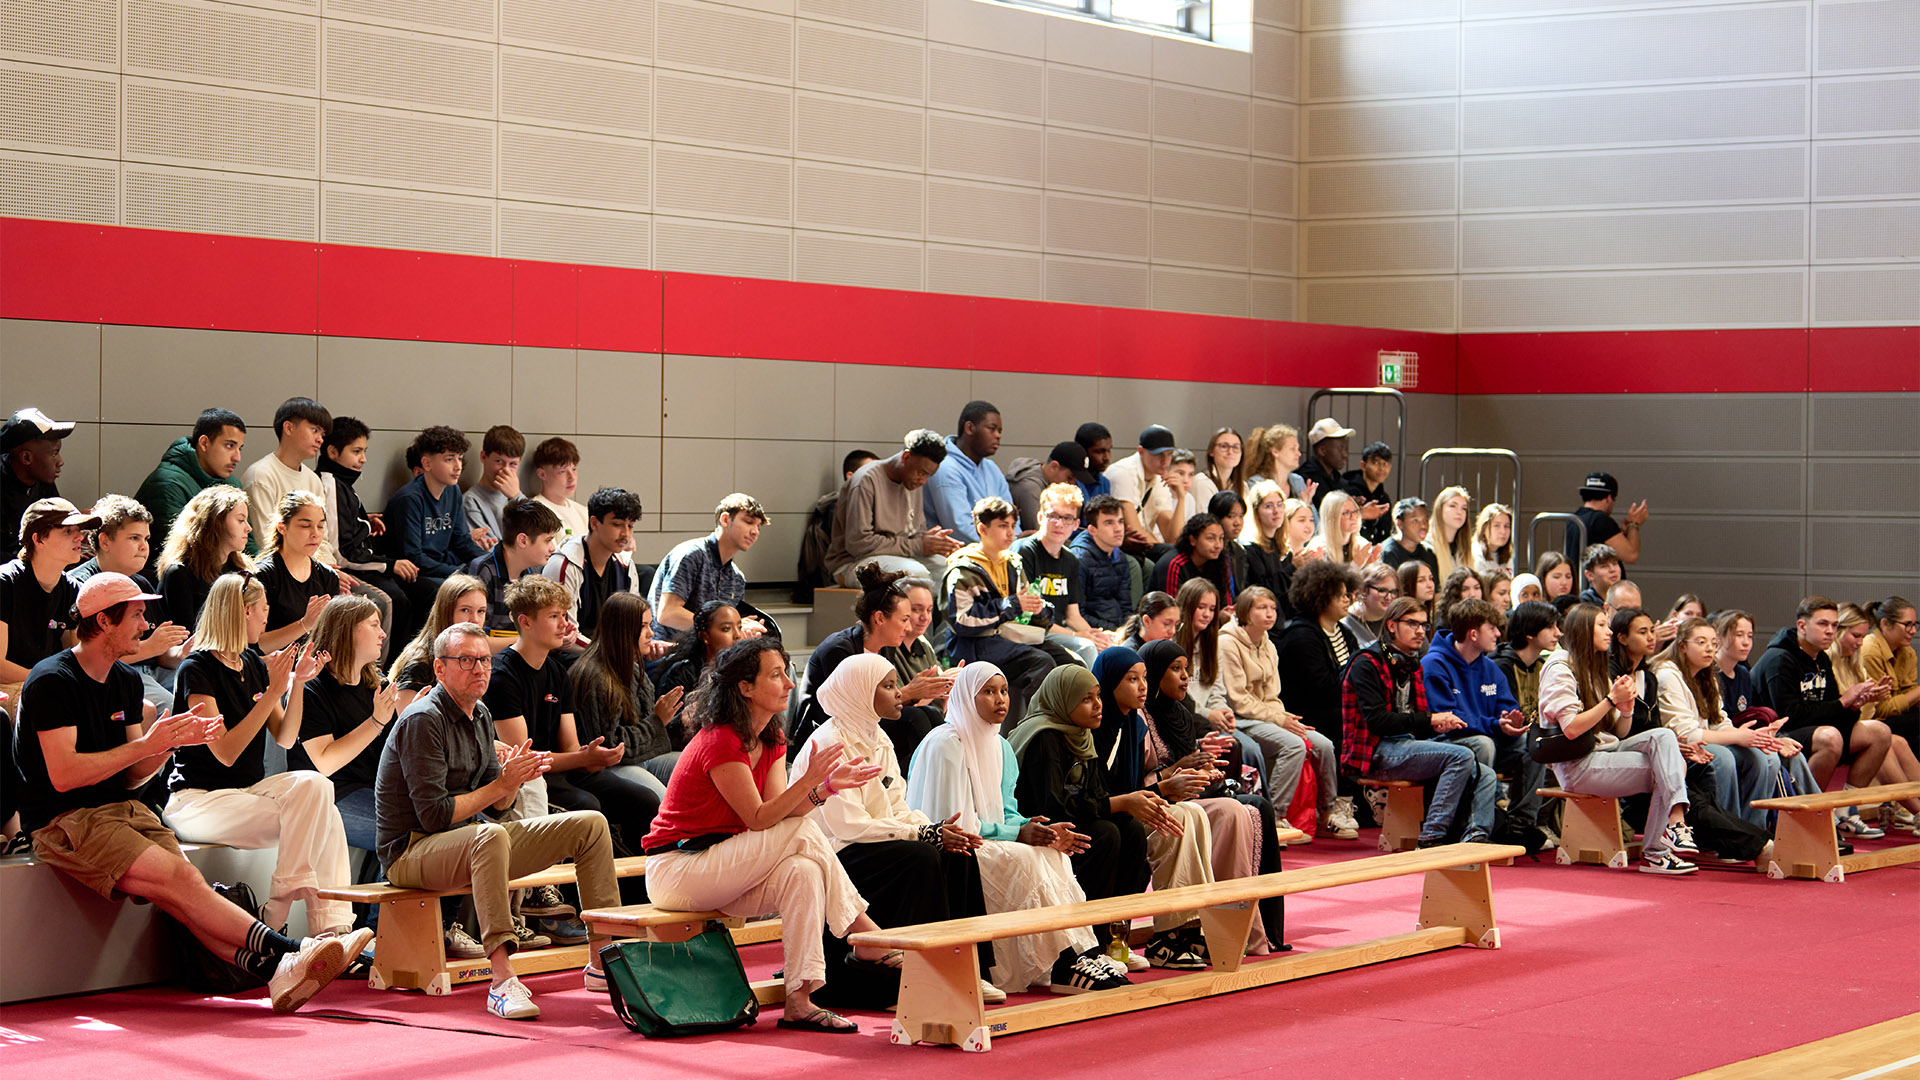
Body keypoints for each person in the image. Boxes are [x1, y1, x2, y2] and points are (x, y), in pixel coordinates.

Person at [12, 571, 368, 1011]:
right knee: (181, 880)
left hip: (125, 808)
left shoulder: (124, 680)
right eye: (137, 615)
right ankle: (288, 950)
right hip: (67, 820)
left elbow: (130, 776)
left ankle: (283, 966)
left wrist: (164, 747)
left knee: (188, 890)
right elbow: (64, 776)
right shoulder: (52, 679)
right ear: (103, 622)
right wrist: (150, 744)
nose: (147, 625)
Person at [640, 637, 891, 1032]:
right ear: (745, 687)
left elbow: (781, 812)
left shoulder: (771, 736)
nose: (789, 684)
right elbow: (759, 818)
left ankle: (800, 1000)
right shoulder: (721, 738)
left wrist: (825, 788)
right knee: (802, 833)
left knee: (803, 871)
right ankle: (864, 932)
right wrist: (811, 780)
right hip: (678, 869)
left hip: (726, 864)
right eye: (776, 675)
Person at [375, 620, 619, 1020]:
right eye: (466, 661)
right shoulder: (423, 719)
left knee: (589, 823)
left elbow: (500, 807)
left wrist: (515, 780)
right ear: (440, 669)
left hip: (468, 841)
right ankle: (502, 981)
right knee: (489, 837)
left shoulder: (481, 713)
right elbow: (435, 816)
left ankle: (600, 961)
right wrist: (501, 784)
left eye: (485, 661)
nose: (480, 670)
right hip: (411, 851)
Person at [906, 663, 1129, 994]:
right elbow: (957, 824)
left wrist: (1037, 829)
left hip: (989, 839)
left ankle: (1080, 954)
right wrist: (1018, 834)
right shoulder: (947, 744)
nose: (1001, 700)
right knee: (1027, 860)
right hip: (957, 849)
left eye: (1005, 691)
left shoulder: (1001, 746)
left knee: (1053, 855)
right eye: (989, 692)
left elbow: (1007, 811)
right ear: (968, 696)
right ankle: (1067, 962)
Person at [792, 653, 1000, 1007]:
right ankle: (932, 969)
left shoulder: (877, 738)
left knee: (958, 852)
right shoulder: (829, 743)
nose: (898, 694)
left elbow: (897, 807)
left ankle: (968, 966)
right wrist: (920, 836)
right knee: (918, 854)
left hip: (871, 844)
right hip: (835, 854)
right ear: (860, 693)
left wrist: (931, 829)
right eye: (888, 687)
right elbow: (849, 826)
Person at [163, 572, 352, 935]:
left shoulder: (250, 663)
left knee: (318, 789)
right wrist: (271, 692)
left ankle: (330, 930)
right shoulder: (197, 668)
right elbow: (226, 753)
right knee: (324, 813)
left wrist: (295, 685)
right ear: (241, 611)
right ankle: (297, 917)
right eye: (262, 608)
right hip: (198, 802)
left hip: (243, 795)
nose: (266, 616)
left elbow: (284, 737)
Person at [487, 577, 653, 877]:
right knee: (587, 806)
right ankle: (580, 901)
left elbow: (571, 747)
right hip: (531, 781)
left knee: (643, 800)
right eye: (554, 616)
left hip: (564, 772)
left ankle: (643, 891)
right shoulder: (502, 676)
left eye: (565, 614)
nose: (565, 624)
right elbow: (524, 760)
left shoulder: (555, 669)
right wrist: (583, 759)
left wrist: (592, 757)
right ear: (525, 621)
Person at [1140, 640, 1286, 951]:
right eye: (1175, 669)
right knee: (1237, 810)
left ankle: (1256, 931)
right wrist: (1178, 772)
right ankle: (1210, 927)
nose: (1184, 677)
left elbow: (1186, 764)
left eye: (1186, 670)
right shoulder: (1139, 718)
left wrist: (1204, 768)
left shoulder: (1179, 712)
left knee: (1256, 807)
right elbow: (1138, 781)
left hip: (1186, 798)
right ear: (1154, 674)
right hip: (1157, 801)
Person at [1009, 665, 1158, 970]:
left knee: (1131, 831)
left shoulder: (1081, 735)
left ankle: (1115, 939)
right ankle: (1089, 943)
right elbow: (1052, 806)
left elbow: (1095, 792)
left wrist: (1122, 805)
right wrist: (1117, 804)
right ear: (1064, 701)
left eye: (1098, 696)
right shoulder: (1044, 736)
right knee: (1105, 834)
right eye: (1086, 699)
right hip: (1038, 826)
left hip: (1073, 817)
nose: (1098, 705)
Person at [1533, 603, 1698, 875]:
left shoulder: (1594, 666)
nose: (1608, 631)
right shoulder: (1560, 667)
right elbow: (1572, 729)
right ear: (1583, 630)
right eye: (1601, 625)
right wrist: (1611, 700)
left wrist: (1626, 709)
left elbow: (1618, 733)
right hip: (1578, 764)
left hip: (1605, 750)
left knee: (1664, 737)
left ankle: (1675, 825)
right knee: (1672, 768)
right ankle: (1659, 851)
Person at [1086, 647, 1222, 969]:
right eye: (1132, 679)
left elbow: (1134, 787)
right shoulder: (1098, 726)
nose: (1143, 686)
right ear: (1109, 683)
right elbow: (1106, 792)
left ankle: (1190, 927)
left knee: (1194, 813)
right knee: (1174, 822)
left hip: (1129, 807)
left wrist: (1170, 785)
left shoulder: (1134, 724)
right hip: (1110, 813)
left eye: (1145, 678)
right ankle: (1167, 935)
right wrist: (1163, 787)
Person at [1341, 597, 1496, 847]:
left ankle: (1475, 837)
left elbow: (1414, 723)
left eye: (1423, 625)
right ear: (1391, 626)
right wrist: (1429, 719)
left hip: (1405, 745)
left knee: (1485, 772)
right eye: (1412, 623)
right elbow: (1378, 722)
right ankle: (1432, 837)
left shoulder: (1412, 665)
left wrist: (1436, 725)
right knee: (1461, 756)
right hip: (1374, 752)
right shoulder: (1366, 663)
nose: (1420, 631)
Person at [291, 596, 403, 905]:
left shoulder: (376, 686)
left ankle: (441, 925)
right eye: (373, 625)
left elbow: (392, 756)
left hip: (372, 791)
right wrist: (376, 721)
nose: (382, 634)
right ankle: (380, 936)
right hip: (329, 796)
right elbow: (325, 762)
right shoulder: (312, 687)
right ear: (347, 631)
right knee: (403, 836)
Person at [1751, 595, 1894, 831]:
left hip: (1812, 728)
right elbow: (1790, 715)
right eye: (1823, 624)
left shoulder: (1821, 659)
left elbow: (1832, 710)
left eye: (1834, 625)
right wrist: (1842, 702)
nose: (1830, 631)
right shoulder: (1779, 659)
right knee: (1830, 738)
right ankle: (1805, 812)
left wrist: (1853, 707)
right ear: (1802, 626)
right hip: (1778, 734)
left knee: (1879, 732)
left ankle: (1847, 809)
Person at [792, 566, 954, 767]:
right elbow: (854, 708)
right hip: (828, 729)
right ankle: (928, 779)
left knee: (931, 713)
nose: (909, 627)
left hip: (865, 724)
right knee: (915, 718)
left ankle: (943, 774)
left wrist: (925, 691)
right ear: (879, 618)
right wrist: (909, 692)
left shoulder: (887, 648)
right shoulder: (838, 649)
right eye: (904, 619)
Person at [1420, 598, 1546, 841]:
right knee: (1482, 744)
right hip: (1446, 743)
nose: (1499, 633)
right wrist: (1493, 724)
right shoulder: (1434, 664)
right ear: (1473, 633)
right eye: (1493, 628)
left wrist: (1510, 721)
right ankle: (1474, 826)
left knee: (1535, 745)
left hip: (1490, 737)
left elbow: (1506, 707)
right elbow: (1449, 718)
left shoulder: (1489, 667)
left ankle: (1519, 823)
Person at [1219, 585, 1337, 838]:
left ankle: (1328, 813)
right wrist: (1279, 719)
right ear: (1245, 612)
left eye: (1272, 607)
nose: (1270, 613)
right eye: (1262, 608)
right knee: (1293, 745)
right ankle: (1276, 817)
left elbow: (1273, 696)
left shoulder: (1269, 643)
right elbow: (1238, 701)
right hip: (1240, 720)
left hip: (1269, 716)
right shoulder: (1227, 643)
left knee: (1323, 745)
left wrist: (1284, 719)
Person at [1651, 617, 1787, 830]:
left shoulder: (1707, 676)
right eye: (1701, 642)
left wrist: (1752, 736)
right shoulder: (1667, 675)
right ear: (1683, 646)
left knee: (1764, 756)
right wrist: (1737, 736)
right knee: (1723, 757)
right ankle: (1725, 834)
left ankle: (1753, 830)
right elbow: (1687, 734)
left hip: (1702, 742)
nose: (1709, 649)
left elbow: (1718, 720)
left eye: (1713, 643)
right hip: (1680, 749)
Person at [943, 496, 1065, 720]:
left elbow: (1027, 605)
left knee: (1069, 663)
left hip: (1010, 639)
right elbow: (962, 620)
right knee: (1042, 663)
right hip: (976, 644)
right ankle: (1034, 731)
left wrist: (1040, 610)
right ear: (982, 528)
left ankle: (1066, 729)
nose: (1010, 532)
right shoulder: (963, 568)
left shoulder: (1012, 563)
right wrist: (1014, 605)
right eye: (1002, 526)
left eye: (1012, 526)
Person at [70, 496, 191, 710]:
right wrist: (150, 647)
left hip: (152, 672)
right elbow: (87, 661)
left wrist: (181, 652)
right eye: (134, 538)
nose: (144, 547)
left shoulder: (141, 583)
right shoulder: (81, 585)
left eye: (146, 538)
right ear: (105, 541)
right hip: (113, 675)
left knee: (206, 692)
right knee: (170, 707)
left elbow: (162, 656)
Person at [1276, 560, 1364, 839]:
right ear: (1320, 596)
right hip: (1307, 711)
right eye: (1340, 595)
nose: (1346, 600)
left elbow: (1354, 677)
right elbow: (1322, 687)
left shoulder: (1344, 632)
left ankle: (1351, 802)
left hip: (1337, 706)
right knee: (1348, 725)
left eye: (1347, 594)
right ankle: (1334, 807)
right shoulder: (1301, 635)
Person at [567, 592, 684, 801]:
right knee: (661, 803)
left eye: (650, 625)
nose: (651, 633)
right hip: (607, 767)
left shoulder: (633, 667)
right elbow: (609, 745)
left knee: (701, 766)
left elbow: (648, 724)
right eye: (643, 627)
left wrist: (679, 719)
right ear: (622, 630)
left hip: (641, 757)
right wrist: (658, 721)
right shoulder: (595, 676)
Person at [315, 417, 408, 649]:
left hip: (361, 563)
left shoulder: (342, 483)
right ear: (333, 452)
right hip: (347, 569)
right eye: (356, 451)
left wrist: (365, 522)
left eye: (364, 451)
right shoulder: (329, 484)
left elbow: (345, 524)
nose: (363, 459)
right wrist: (389, 564)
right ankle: (381, 671)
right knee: (395, 600)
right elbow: (341, 552)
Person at [825, 429, 959, 586]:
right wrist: (919, 545)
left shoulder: (913, 482)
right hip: (853, 563)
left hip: (902, 558)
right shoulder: (865, 481)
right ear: (906, 457)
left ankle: (942, 611)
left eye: (928, 476)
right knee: (915, 575)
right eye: (921, 473)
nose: (923, 481)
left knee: (955, 570)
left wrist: (935, 543)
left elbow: (915, 536)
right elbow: (859, 544)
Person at [1828, 603, 1920, 829]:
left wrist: (1866, 700)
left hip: (1858, 725)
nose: (1861, 642)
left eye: (1914, 625)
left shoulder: (1856, 657)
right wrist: (1865, 700)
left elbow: (1866, 710)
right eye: (1856, 636)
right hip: (1837, 729)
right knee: (1884, 738)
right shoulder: (1841, 657)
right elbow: (1879, 710)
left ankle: (1913, 809)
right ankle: (1916, 810)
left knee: (1892, 739)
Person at [135, 407, 253, 574]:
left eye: (239, 448)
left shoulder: (232, 484)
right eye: (229, 446)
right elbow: (179, 552)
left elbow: (248, 546)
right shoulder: (168, 483)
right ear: (204, 443)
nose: (237, 457)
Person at [1, 498, 96, 704]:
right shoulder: (5, 583)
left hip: (48, 684)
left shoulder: (74, 589)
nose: (80, 537)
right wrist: (54, 680)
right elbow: (0, 667)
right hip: (9, 687)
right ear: (39, 539)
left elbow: (78, 653)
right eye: (68, 531)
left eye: (79, 530)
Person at [650, 493, 772, 643]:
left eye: (758, 526)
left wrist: (741, 630)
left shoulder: (737, 577)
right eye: (748, 522)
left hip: (708, 657)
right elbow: (667, 614)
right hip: (669, 653)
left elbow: (725, 634)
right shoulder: (692, 554)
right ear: (725, 519)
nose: (755, 532)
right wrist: (728, 627)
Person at [1013, 483, 1112, 666]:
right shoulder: (1024, 552)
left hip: (1058, 631)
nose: (1059, 524)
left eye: (1067, 518)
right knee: (1086, 647)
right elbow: (1028, 618)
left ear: (1076, 524)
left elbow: (1072, 616)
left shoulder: (1070, 559)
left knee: (1109, 646)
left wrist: (1095, 635)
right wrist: (1079, 636)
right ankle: (1089, 695)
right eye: (1053, 516)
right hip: (1031, 631)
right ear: (1041, 517)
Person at [383, 426, 487, 595]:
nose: (458, 467)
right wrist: (454, 572)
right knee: (459, 591)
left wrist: (488, 561)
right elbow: (413, 556)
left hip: (440, 566)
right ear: (427, 463)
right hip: (412, 574)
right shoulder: (409, 499)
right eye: (449, 459)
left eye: (460, 459)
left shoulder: (453, 491)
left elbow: (460, 541)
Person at [545, 486, 643, 645]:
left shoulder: (625, 565)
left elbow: (632, 623)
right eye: (617, 524)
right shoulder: (565, 564)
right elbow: (564, 635)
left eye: (630, 526)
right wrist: (608, 656)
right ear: (595, 523)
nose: (626, 534)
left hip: (611, 654)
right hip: (573, 657)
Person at [242, 397, 335, 566]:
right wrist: (322, 571)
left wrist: (331, 570)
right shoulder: (260, 476)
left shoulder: (313, 479)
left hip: (319, 568)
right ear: (289, 428)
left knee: (370, 593)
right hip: (283, 573)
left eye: (322, 434)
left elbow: (323, 539)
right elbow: (266, 542)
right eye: (314, 430)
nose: (320, 439)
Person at [251, 491, 343, 653]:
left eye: (320, 526)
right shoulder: (262, 576)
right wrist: (304, 624)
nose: (315, 533)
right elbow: (256, 644)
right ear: (282, 527)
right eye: (305, 526)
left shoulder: (327, 577)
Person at [155, 486, 253, 632]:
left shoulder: (242, 570)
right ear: (215, 522)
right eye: (240, 520)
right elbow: (187, 638)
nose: (249, 528)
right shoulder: (179, 573)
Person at [465, 497, 562, 637]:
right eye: (548, 540)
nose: (553, 548)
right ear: (522, 540)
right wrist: (529, 642)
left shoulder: (534, 572)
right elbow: (475, 638)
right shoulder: (483, 572)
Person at [389, 574, 488, 710]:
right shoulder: (418, 667)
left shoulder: (478, 660)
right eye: (465, 610)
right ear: (446, 612)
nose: (475, 620)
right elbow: (406, 727)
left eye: (481, 611)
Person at [924, 402, 1013, 544]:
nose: (998, 436)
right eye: (992, 429)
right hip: (953, 553)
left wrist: (1017, 544)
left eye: (1000, 431)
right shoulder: (945, 467)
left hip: (995, 549)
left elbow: (1011, 517)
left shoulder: (992, 468)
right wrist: (1007, 546)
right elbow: (959, 529)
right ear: (970, 428)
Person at [0, 408, 73, 565]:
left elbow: (58, 522)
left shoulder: (42, 481)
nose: (61, 461)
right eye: (54, 453)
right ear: (26, 457)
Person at [1068, 494, 1141, 633]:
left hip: (1117, 629)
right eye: (1109, 523)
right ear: (1092, 530)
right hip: (1094, 632)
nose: (1118, 528)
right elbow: (1078, 614)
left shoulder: (1119, 556)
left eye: (1120, 521)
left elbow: (1125, 606)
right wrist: (1115, 631)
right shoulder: (1079, 559)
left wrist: (1126, 630)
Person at [1103, 425, 1176, 555]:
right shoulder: (1122, 473)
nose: (1165, 461)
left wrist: (1181, 498)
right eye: (1159, 454)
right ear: (1141, 451)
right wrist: (1168, 553)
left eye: (1169, 454)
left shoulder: (1160, 478)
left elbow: (1171, 538)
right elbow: (1134, 530)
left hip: (1143, 547)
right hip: (1119, 547)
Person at [655, 600, 745, 705]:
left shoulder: (743, 669)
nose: (738, 635)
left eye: (739, 627)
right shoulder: (682, 673)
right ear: (705, 636)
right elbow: (669, 718)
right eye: (726, 629)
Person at [1862, 596, 1919, 746]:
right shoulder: (1870, 650)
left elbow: (1909, 691)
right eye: (1907, 625)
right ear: (1886, 624)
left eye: (1915, 625)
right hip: (1873, 723)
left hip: (1896, 717)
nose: (1913, 631)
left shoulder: (1907, 652)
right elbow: (1881, 710)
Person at [1493, 601, 1560, 724]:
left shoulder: (1541, 665)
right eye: (1550, 627)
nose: (1558, 633)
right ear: (1529, 632)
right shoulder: (1502, 666)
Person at [463, 425, 524, 550]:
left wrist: (517, 497)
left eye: (512, 464)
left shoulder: (517, 498)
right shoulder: (471, 501)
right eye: (499, 461)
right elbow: (493, 552)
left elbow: (539, 537)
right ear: (483, 457)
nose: (505, 470)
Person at [1150, 511, 1233, 602]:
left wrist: (1224, 613)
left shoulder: (1218, 560)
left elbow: (1226, 600)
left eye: (1221, 538)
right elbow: (1172, 609)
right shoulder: (1174, 564)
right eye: (1211, 538)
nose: (1218, 545)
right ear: (1192, 540)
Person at [1568, 471, 1648, 564]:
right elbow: (1630, 555)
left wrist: (1624, 534)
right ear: (1609, 498)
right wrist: (1634, 525)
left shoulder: (1574, 519)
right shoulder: (1600, 520)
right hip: (1596, 578)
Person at [527, 437, 589, 543]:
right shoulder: (535, 512)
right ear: (542, 474)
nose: (572, 477)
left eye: (574, 469)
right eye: (563, 471)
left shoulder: (583, 512)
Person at [1305, 490, 1379, 566]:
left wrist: (1368, 566)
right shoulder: (1318, 549)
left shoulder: (1362, 544)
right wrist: (1356, 565)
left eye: (1355, 511)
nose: (1353, 517)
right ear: (1332, 518)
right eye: (1346, 513)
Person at [1142, 449, 1200, 547]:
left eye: (1191, 474)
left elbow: (1184, 536)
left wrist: (1181, 497)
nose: (1186, 480)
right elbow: (1163, 538)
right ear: (1166, 472)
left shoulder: (1189, 499)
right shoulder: (1156, 494)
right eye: (1180, 473)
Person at [1341, 441, 1394, 545]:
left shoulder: (1383, 497)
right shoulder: (1348, 491)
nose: (1381, 468)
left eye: (1386, 464)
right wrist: (1360, 514)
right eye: (1376, 463)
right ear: (1363, 465)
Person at [1295, 419, 1350, 511]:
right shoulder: (1306, 479)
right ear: (1322, 450)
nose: (1345, 454)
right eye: (1340, 448)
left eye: (1346, 448)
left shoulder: (1339, 480)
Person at [1342, 563, 1399, 647]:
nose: (1389, 597)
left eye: (1393, 591)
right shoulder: (1345, 623)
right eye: (1382, 590)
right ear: (1364, 589)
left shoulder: (1398, 620)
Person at [1425, 486, 1472, 585]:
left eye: (1464, 508)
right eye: (1453, 506)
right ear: (1439, 509)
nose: (1459, 512)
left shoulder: (1465, 547)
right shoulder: (1428, 546)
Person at [1190, 427, 1246, 507]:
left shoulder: (1242, 486)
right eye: (1224, 446)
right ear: (1211, 451)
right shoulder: (1202, 483)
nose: (1230, 452)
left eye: (1235, 447)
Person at [1380, 497, 1436, 575]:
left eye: (1425, 520)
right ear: (1399, 523)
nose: (1423, 526)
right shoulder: (1388, 553)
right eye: (1415, 521)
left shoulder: (1428, 553)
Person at [1072, 422, 1114, 501]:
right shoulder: (1069, 481)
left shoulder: (1105, 483)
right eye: (1099, 452)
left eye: (1109, 450)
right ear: (1082, 451)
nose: (1107, 457)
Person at [1470, 503, 1514, 575]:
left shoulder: (1507, 555)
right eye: (1496, 526)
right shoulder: (1475, 554)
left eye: (1506, 526)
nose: (1503, 531)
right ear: (1484, 528)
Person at [1397, 559, 1437, 624]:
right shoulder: (1404, 619)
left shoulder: (1428, 613)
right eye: (1421, 580)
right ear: (1407, 584)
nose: (1429, 585)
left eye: (1430, 579)